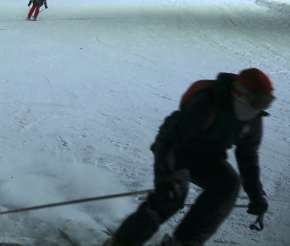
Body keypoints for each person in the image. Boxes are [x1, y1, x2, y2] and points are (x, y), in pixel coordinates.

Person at [105, 68, 275, 246]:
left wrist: (257, 196)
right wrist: (165, 174)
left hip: (208, 157)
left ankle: (183, 242)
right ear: (240, 92)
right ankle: (124, 242)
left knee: (228, 185)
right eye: (256, 100)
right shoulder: (208, 102)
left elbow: (247, 157)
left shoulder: (253, 119)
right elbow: (170, 141)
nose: (259, 108)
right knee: (171, 194)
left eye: (265, 103)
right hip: (177, 151)